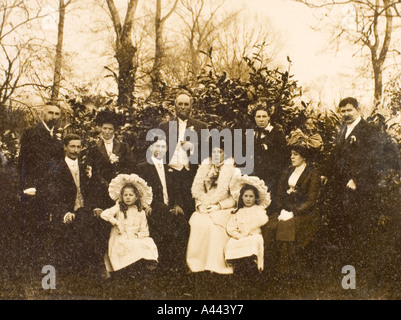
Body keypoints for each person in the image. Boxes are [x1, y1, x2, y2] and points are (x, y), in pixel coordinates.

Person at [323, 97, 378, 287]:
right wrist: (327, 175)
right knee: (342, 229)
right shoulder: (343, 130)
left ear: (358, 109)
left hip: (358, 190)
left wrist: (357, 180)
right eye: (343, 111)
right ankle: (346, 276)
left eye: (349, 110)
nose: (346, 114)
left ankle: (359, 278)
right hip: (341, 189)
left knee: (358, 230)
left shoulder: (368, 131)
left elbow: (372, 160)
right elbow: (336, 156)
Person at [86, 109, 136, 272]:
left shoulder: (123, 147)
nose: (107, 132)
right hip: (101, 193)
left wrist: (120, 184)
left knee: (123, 226)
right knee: (102, 227)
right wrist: (105, 184)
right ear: (100, 129)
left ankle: (123, 262)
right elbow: (92, 173)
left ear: (115, 131)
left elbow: (130, 168)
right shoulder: (93, 149)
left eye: (110, 129)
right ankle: (103, 264)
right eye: (104, 128)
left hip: (120, 193)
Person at [17, 102, 64, 270]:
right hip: (33, 187)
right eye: (50, 113)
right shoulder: (31, 133)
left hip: (49, 188)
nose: (53, 117)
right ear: (43, 114)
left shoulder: (56, 138)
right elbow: (23, 162)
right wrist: (24, 186)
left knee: (43, 223)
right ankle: (26, 264)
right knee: (30, 224)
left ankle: (38, 263)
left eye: (57, 114)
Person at [40, 133, 94, 275]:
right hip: (66, 210)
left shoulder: (84, 167)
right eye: (72, 146)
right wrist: (65, 212)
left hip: (84, 208)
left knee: (88, 229)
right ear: (65, 147)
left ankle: (86, 266)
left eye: (78, 147)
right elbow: (53, 195)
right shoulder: (56, 168)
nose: (76, 150)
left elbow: (90, 191)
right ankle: (71, 267)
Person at [272, 128, 322, 279]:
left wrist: (293, 213)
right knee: (270, 226)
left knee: (287, 226)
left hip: (306, 213)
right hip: (286, 210)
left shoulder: (312, 173)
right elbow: (279, 193)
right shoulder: (288, 170)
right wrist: (282, 210)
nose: (292, 157)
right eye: (291, 154)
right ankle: (270, 267)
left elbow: (311, 200)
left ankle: (288, 271)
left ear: (304, 157)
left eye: (295, 154)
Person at [186, 142, 241, 275]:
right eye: (214, 152)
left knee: (213, 227)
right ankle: (196, 264)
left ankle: (214, 265)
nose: (216, 155)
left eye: (220, 152)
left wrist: (218, 206)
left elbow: (235, 198)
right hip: (205, 206)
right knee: (197, 222)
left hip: (224, 208)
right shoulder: (204, 167)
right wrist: (199, 205)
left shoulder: (234, 170)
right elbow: (197, 191)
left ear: (226, 153)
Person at [137, 137, 188, 271]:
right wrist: (146, 205)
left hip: (170, 207)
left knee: (184, 225)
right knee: (165, 226)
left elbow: (177, 190)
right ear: (151, 148)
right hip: (154, 207)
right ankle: (164, 264)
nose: (160, 150)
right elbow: (140, 190)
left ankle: (178, 264)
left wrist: (178, 204)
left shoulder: (170, 168)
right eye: (157, 146)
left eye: (163, 147)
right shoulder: (143, 167)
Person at [159, 92, 209, 218]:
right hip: (169, 174)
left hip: (189, 174)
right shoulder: (164, 126)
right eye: (180, 104)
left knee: (189, 208)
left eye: (186, 104)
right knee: (170, 210)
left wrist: (192, 148)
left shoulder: (201, 126)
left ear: (191, 106)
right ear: (175, 106)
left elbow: (205, 155)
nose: (183, 107)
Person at [100, 174, 158, 278]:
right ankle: (128, 271)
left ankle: (140, 270)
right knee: (130, 244)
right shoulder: (118, 208)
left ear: (136, 197)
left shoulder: (140, 212)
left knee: (148, 242)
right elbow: (104, 214)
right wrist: (116, 222)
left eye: (131, 195)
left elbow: (145, 231)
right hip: (120, 237)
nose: (127, 197)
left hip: (134, 236)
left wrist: (136, 236)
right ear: (121, 197)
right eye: (125, 195)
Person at [224, 177, 270, 274]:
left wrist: (249, 230)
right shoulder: (238, 211)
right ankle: (238, 267)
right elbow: (231, 227)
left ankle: (251, 268)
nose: (248, 199)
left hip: (253, 236)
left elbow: (263, 219)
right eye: (246, 196)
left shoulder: (258, 209)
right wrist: (238, 235)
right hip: (240, 236)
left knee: (251, 243)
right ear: (242, 197)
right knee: (231, 243)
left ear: (255, 198)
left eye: (251, 196)